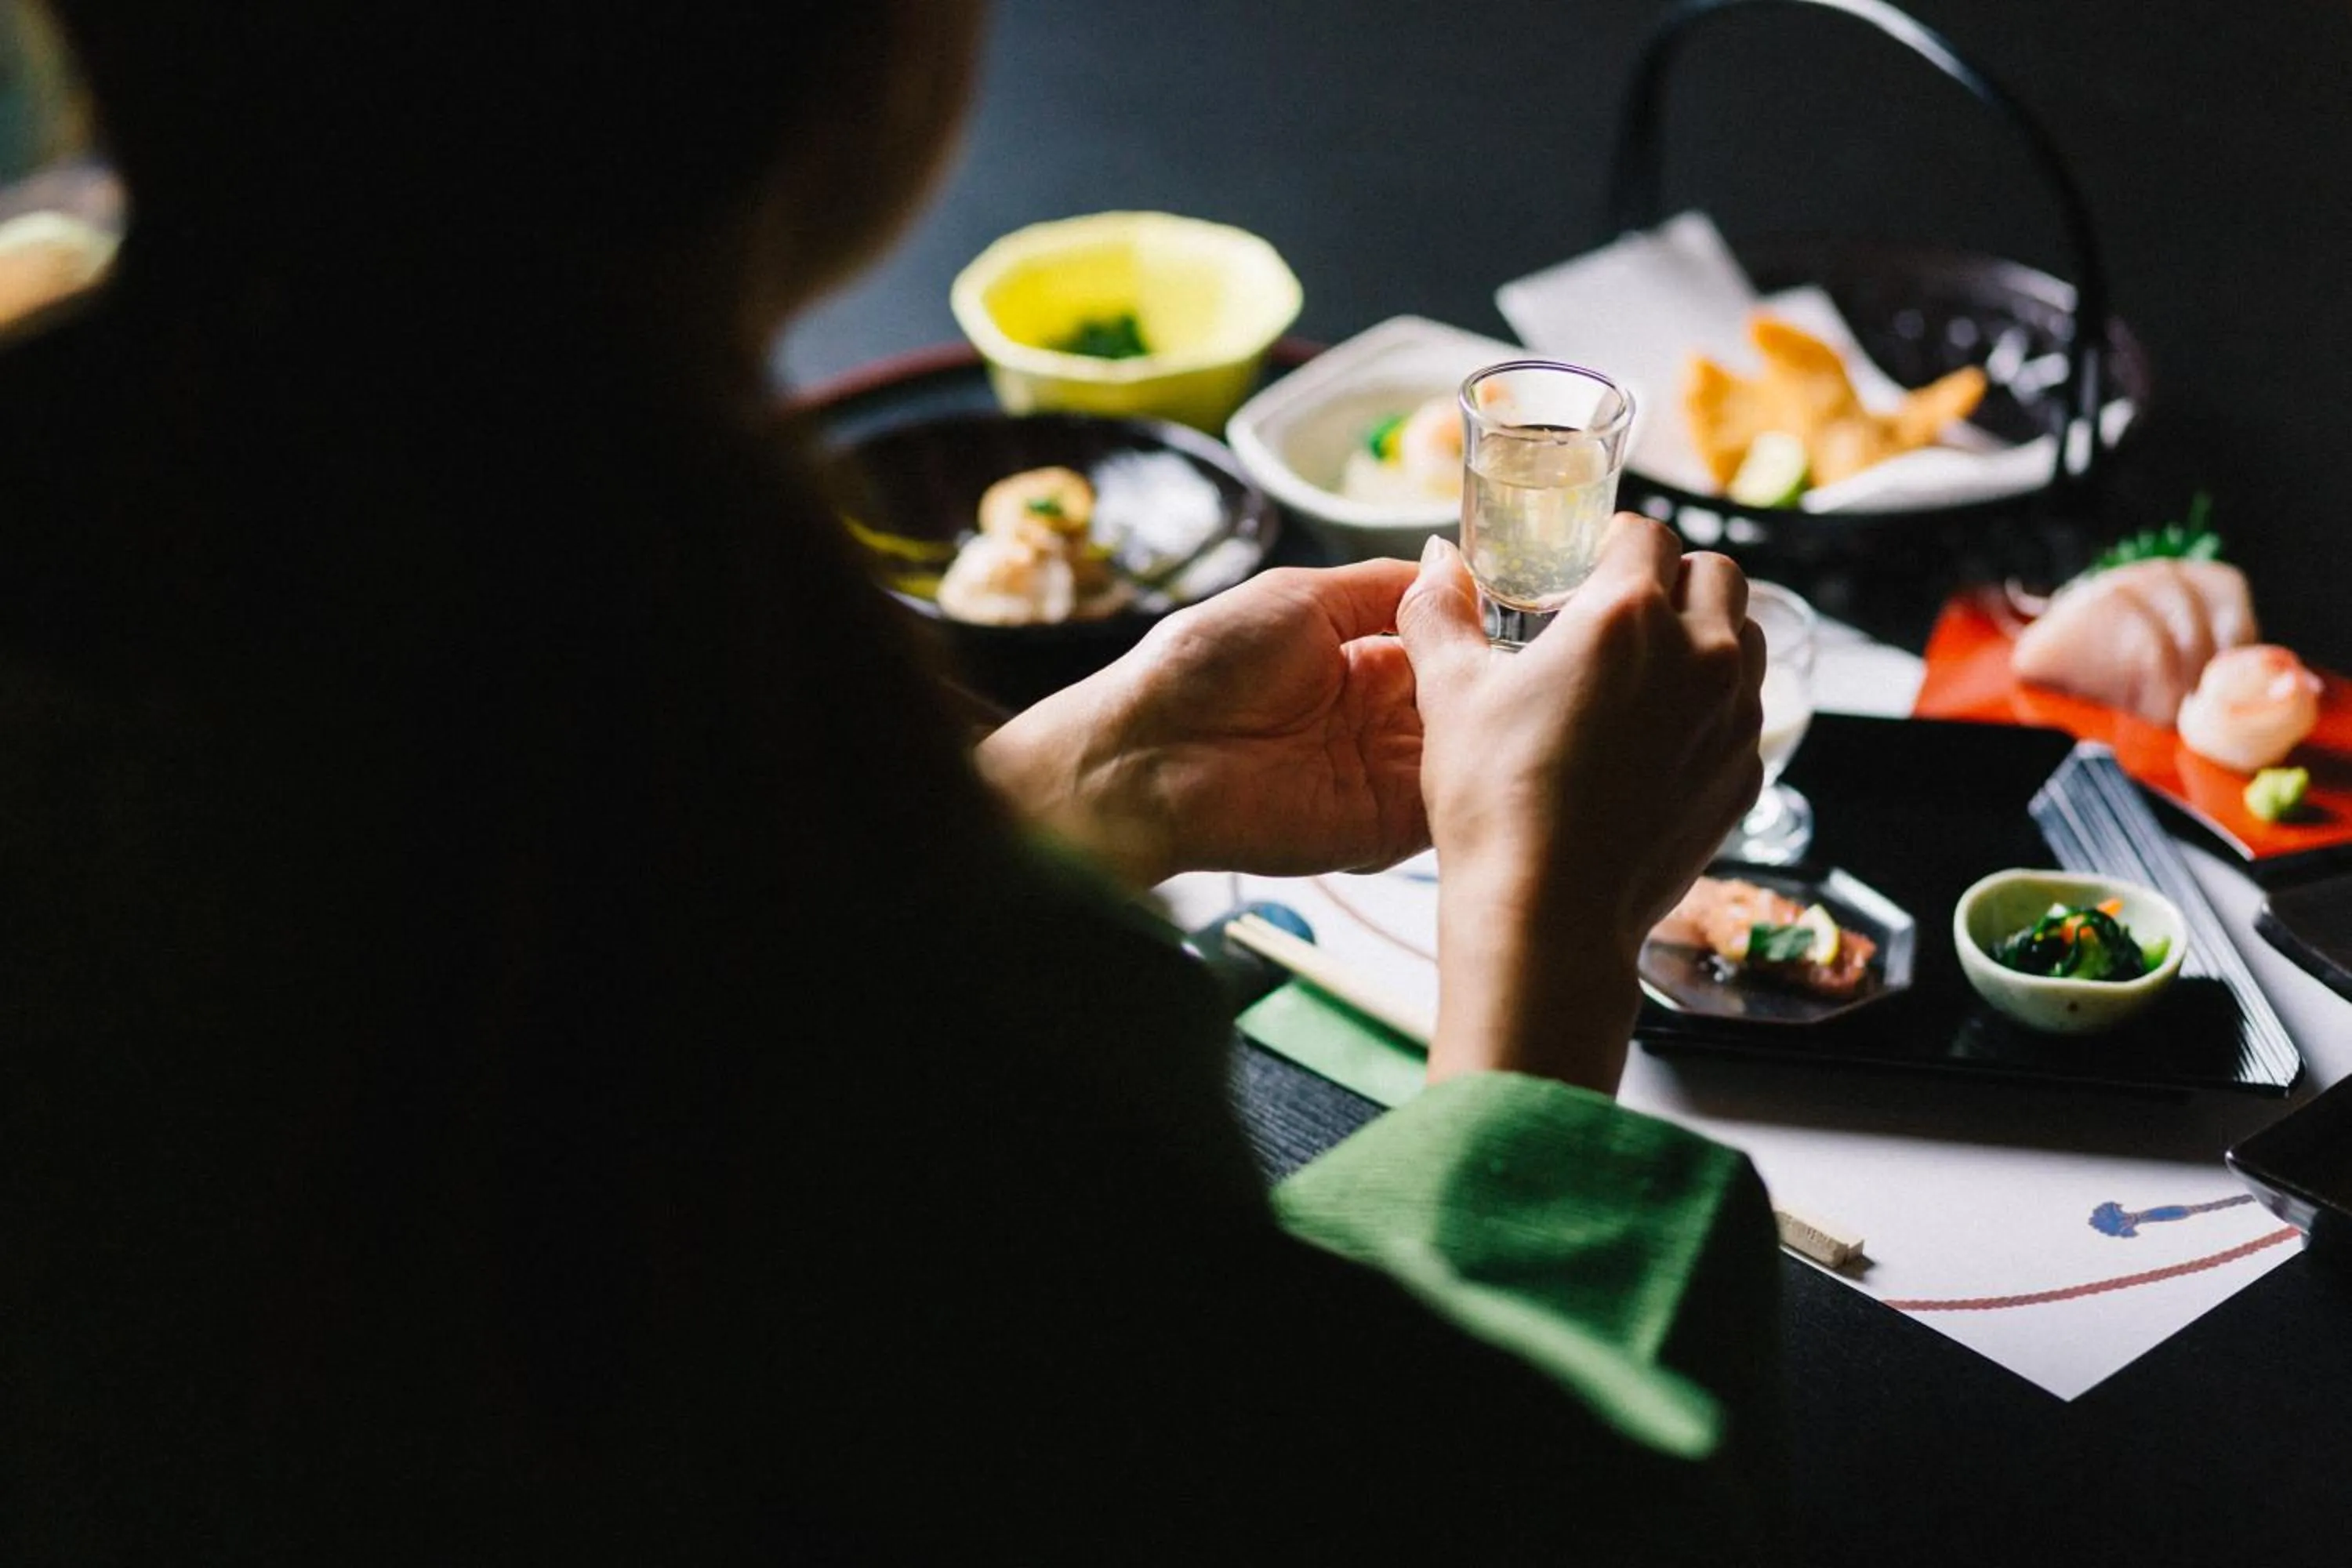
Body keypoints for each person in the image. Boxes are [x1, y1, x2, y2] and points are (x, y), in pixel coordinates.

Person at [0, 4, 1784, 1563]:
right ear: (853, 62)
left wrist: (1082, 787)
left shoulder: (190, 566)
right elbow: (1413, 1503)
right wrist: (1547, 936)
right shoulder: (894, 1002)